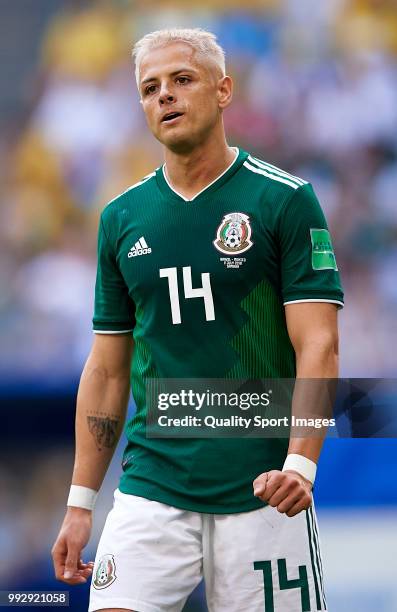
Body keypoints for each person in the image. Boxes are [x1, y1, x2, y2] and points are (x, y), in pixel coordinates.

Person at [52, 28, 343, 612]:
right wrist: (81, 502)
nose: (165, 96)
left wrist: (300, 464)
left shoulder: (283, 200)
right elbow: (108, 372)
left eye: (181, 80)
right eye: (150, 88)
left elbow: (319, 345)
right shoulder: (121, 218)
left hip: (263, 487)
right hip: (153, 483)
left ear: (223, 90)